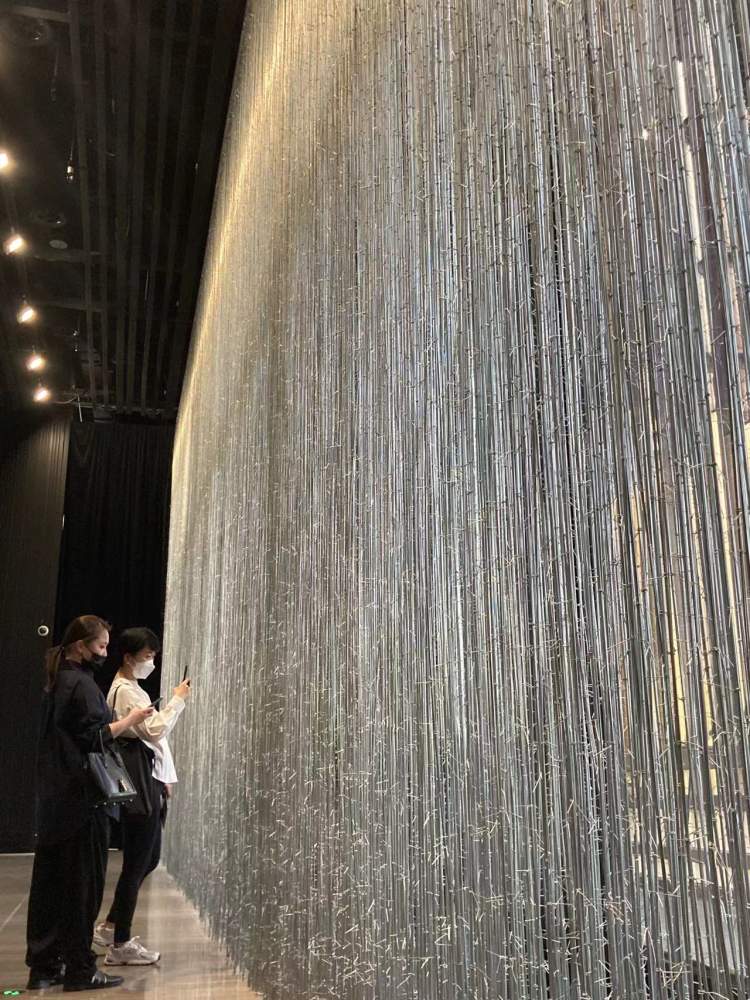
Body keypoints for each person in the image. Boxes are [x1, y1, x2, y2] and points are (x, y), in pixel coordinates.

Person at [25, 615, 155, 993]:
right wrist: (130, 720)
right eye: (100, 646)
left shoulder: (58, 680)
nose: (104, 653)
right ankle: (81, 968)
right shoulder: (80, 685)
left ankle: (45, 965)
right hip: (84, 802)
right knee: (82, 887)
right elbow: (95, 737)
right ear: (81, 646)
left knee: (51, 885)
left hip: (57, 800)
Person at [93, 627, 191, 965]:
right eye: (147, 657)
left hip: (149, 779)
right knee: (137, 861)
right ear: (128, 656)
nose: (151, 663)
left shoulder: (132, 688)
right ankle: (120, 942)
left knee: (146, 859)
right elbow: (154, 731)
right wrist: (178, 699)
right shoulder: (124, 691)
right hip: (140, 781)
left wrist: (165, 777)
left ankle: (111, 927)